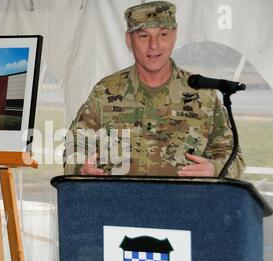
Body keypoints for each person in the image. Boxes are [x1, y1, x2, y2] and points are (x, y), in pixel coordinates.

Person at [64, 1, 245, 178]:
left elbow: (233, 155)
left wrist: (214, 169)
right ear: (129, 40)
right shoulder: (105, 92)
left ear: (174, 35)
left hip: (185, 205)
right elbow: (75, 146)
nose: (154, 45)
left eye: (163, 35)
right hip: (119, 204)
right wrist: (81, 168)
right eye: (143, 36)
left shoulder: (202, 94)